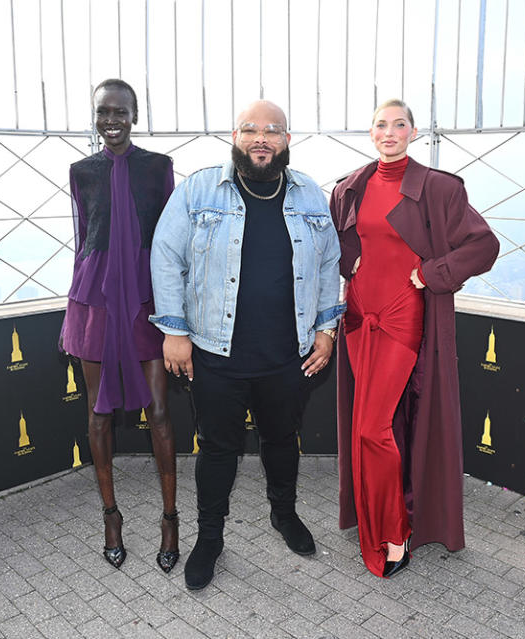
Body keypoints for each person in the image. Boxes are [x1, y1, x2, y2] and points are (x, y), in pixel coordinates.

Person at [150, 100, 344, 591]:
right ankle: (210, 538)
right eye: (251, 129)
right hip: (217, 354)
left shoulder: (309, 195)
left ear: (287, 140)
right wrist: (174, 331)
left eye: (273, 131)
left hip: (288, 355)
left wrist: (326, 330)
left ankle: (284, 515)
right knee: (218, 450)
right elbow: (165, 256)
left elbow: (327, 265)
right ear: (234, 136)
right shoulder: (198, 189)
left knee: (282, 441)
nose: (262, 138)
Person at [330, 99, 499, 578]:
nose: (389, 132)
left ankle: (395, 532)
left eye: (398, 125)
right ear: (370, 131)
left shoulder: (439, 189)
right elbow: (337, 242)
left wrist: (433, 271)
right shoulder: (349, 188)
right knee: (367, 427)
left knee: (372, 429)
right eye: (381, 124)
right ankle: (376, 518)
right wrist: (348, 261)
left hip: (404, 317)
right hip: (360, 318)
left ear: (413, 131)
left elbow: (484, 245)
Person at [59, 79, 179, 572]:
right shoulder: (80, 171)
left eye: (120, 112)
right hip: (95, 298)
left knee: (160, 415)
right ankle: (112, 518)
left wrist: (176, 309)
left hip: (146, 295)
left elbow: (172, 238)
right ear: (95, 116)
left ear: (135, 114)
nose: (111, 120)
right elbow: (81, 236)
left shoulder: (158, 168)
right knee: (97, 415)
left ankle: (171, 520)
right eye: (102, 112)